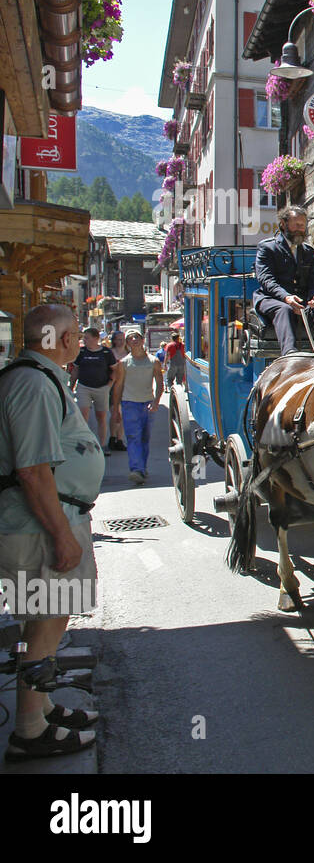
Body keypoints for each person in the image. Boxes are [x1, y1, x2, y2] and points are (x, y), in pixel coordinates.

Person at [0, 304, 103, 761]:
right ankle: (29, 728)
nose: (80, 341)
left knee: (41, 619)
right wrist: (62, 535)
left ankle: (41, 708)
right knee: (45, 618)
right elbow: (34, 471)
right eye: (76, 334)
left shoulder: (39, 378)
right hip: (39, 527)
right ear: (59, 339)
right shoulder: (33, 383)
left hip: (47, 521)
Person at [253, 205, 314, 355]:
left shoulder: (309, 252)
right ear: (283, 224)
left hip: (300, 301)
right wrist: (286, 297)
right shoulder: (267, 248)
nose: (300, 229)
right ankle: (290, 354)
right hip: (271, 299)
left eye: (303, 225)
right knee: (284, 309)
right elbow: (266, 280)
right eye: (297, 225)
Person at [118, 328, 164, 485]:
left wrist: (156, 401)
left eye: (136, 337)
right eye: (130, 338)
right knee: (133, 437)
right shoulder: (124, 363)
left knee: (145, 438)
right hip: (129, 403)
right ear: (127, 343)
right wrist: (115, 406)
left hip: (147, 403)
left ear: (143, 340)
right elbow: (119, 385)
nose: (133, 340)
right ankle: (136, 469)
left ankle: (142, 468)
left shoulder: (153, 361)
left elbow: (160, 384)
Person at [68, 328, 119, 456]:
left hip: (101, 388)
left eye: (87, 338)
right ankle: (84, 443)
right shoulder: (81, 352)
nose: (84, 340)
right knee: (83, 414)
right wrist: (71, 386)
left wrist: (109, 385)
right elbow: (75, 370)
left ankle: (102, 445)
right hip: (84, 387)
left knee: (101, 416)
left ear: (96, 338)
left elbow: (114, 370)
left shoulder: (106, 352)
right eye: (84, 338)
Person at [107, 330, 128, 453]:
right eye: (118, 339)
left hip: (126, 386)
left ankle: (119, 439)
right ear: (114, 340)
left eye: (122, 339)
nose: (120, 341)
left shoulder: (129, 353)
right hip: (113, 386)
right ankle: (112, 437)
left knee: (122, 414)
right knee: (115, 412)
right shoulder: (109, 353)